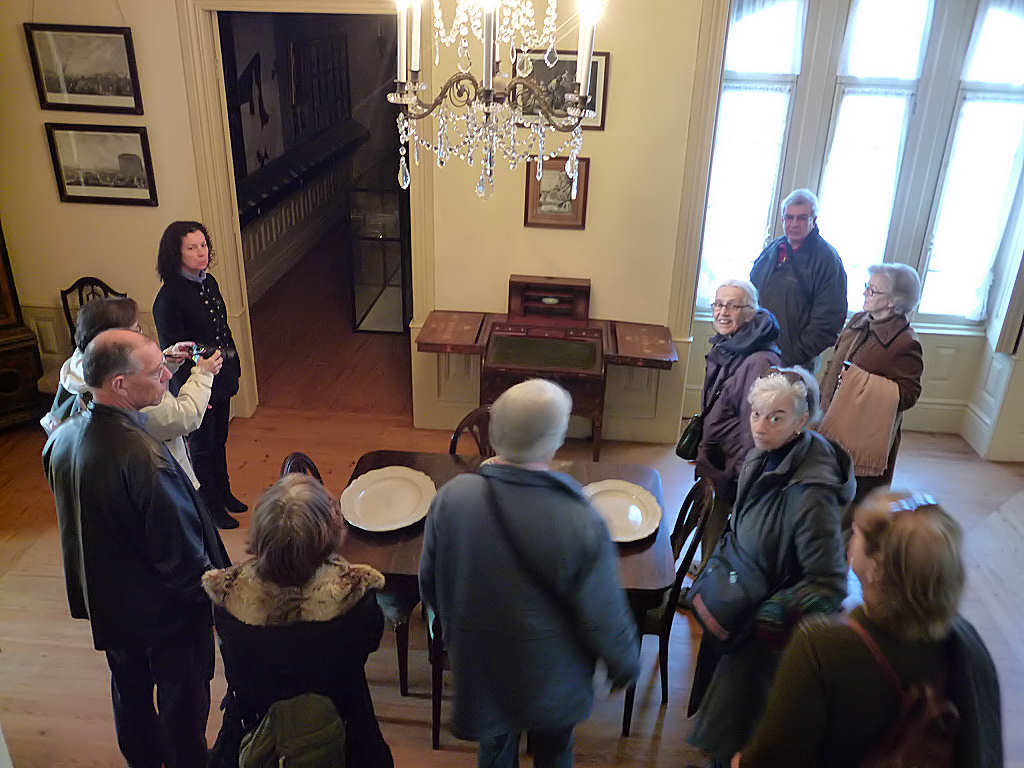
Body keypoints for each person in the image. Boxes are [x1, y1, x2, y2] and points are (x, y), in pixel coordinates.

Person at [419, 379, 640, 768]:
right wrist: (624, 665)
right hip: (554, 677)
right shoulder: (579, 518)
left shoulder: (452, 498)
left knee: (494, 750)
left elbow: (430, 584)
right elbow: (602, 613)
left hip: (484, 667)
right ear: (554, 442)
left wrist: (454, 635)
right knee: (555, 753)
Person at [42, 329, 230, 768]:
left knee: (130, 695)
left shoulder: (62, 438)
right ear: (120, 384)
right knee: (183, 709)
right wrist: (217, 607)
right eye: (156, 370)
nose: (166, 375)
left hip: (110, 607)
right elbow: (185, 560)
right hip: (166, 617)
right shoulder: (147, 459)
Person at [734, 490, 1003, 768]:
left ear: (875, 567)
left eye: (856, 533)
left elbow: (769, 759)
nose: (850, 537)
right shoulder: (969, 642)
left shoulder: (820, 649)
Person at [687, 367, 853, 768]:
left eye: (776, 417)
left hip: (766, 631)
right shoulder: (764, 455)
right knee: (725, 711)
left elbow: (829, 582)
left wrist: (773, 613)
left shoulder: (811, 492)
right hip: (739, 606)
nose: (761, 426)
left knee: (744, 726)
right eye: (756, 414)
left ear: (802, 420)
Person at [203, 472, 394, 768]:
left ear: (260, 532)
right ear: (327, 532)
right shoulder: (354, 598)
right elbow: (369, 642)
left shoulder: (228, 599)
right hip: (343, 726)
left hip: (254, 729)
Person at [42, 296, 235, 527]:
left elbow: (136, 371)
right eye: (136, 331)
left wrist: (166, 358)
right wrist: (203, 374)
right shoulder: (130, 397)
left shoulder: (83, 369)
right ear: (113, 343)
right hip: (163, 491)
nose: (141, 336)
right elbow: (184, 417)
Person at [154, 220, 246, 528]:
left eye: (203, 245)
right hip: (196, 383)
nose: (201, 252)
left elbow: (222, 330)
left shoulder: (210, 283)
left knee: (219, 438)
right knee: (203, 446)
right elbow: (175, 351)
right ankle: (210, 506)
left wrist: (233, 367)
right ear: (176, 254)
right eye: (192, 248)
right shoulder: (168, 298)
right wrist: (193, 389)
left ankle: (224, 493)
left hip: (220, 375)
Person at [819, 264, 924, 520]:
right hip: (831, 421)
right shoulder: (859, 320)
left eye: (873, 290)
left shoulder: (905, 343)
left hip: (863, 437)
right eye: (867, 286)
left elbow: (909, 394)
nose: (865, 293)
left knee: (854, 508)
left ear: (892, 302)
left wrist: (860, 381)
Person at [694, 279, 781, 565]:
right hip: (718, 457)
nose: (722, 312)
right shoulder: (730, 345)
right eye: (718, 304)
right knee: (709, 520)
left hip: (732, 465)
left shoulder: (759, 361)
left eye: (732, 306)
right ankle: (706, 567)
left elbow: (755, 429)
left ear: (750, 312)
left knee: (719, 524)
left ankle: (707, 579)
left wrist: (745, 477)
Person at [750, 189, 848, 371]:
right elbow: (751, 294)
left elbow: (829, 320)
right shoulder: (773, 249)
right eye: (789, 217)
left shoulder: (827, 259)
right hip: (759, 351)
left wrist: (792, 357)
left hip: (796, 362)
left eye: (802, 218)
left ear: (814, 220)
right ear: (782, 220)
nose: (794, 224)